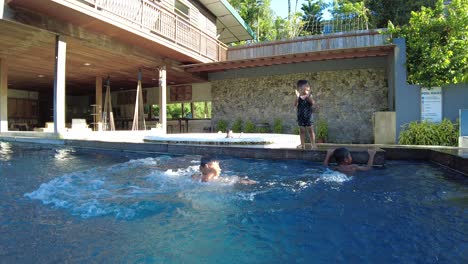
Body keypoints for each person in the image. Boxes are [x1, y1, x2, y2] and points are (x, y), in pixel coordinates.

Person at [192, 156, 256, 184]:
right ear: (207, 166)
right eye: (217, 166)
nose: (220, 169)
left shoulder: (195, 178)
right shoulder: (221, 181)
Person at [294, 80, 316, 149]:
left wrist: (308, 96)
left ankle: (313, 144)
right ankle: (302, 144)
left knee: (310, 130)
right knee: (301, 131)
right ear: (300, 88)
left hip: (308, 116)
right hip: (301, 116)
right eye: (306, 86)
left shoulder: (309, 95)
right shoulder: (298, 96)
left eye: (308, 86)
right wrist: (297, 97)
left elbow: (312, 102)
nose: (308, 87)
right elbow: (295, 105)